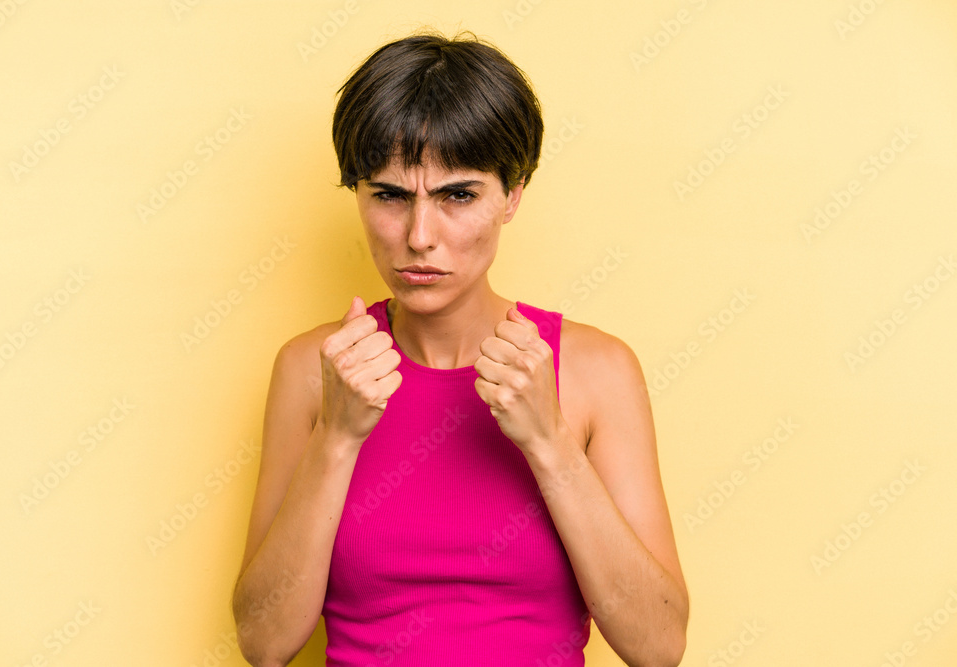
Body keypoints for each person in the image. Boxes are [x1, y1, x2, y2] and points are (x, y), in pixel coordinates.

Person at [231, 29, 689, 667]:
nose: (420, 236)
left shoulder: (597, 370)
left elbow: (659, 646)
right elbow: (263, 642)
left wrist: (549, 443)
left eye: (458, 195)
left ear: (513, 195)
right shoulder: (314, 369)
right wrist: (335, 438)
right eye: (390, 196)